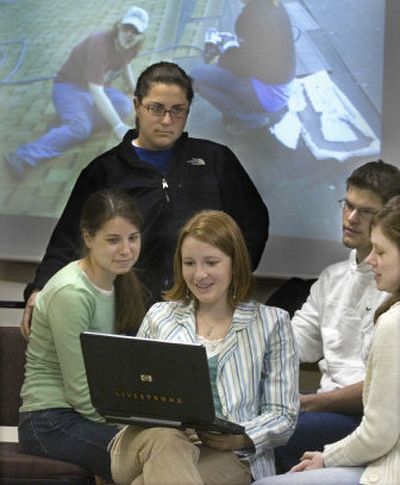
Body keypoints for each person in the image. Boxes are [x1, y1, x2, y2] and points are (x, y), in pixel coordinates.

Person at [21, 61, 269, 338]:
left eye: (178, 111)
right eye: (156, 108)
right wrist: (40, 288)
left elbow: (253, 225)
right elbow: (69, 240)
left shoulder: (215, 160)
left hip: (206, 315)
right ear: (137, 105)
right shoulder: (104, 171)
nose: (166, 120)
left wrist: (228, 280)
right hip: (129, 317)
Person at [109, 209, 299, 485]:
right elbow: (133, 393)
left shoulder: (272, 324)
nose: (199, 275)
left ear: (235, 263)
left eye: (211, 262)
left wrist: (241, 436)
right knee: (167, 438)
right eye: (189, 263)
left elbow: (283, 414)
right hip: (143, 442)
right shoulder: (159, 316)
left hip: (229, 455)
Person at [253, 195, 400, 485]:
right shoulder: (333, 280)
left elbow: (378, 434)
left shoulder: (393, 322)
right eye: (347, 204)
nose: (371, 259)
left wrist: (327, 457)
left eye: (380, 252)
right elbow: (297, 342)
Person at [18, 189, 148, 482]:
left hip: (84, 415)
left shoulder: (120, 282)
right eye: (113, 240)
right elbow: (79, 391)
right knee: (147, 455)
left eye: (133, 237)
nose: (126, 250)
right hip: (49, 421)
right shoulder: (72, 292)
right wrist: (126, 427)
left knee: (165, 446)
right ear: (88, 238)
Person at [4, 5, 149, 180]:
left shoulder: (129, 46)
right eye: (127, 28)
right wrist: (118, 126)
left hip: (95, 88)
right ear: (119, 26)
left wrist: (134, 90)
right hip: (69, 87)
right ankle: (22, 157)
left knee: (123, 106)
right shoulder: (99, 45)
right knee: (81, 129)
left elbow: (126, 64)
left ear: (141, 36)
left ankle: (67, 124)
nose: (130, 34)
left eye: (136, 32)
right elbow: (96, 91)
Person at [191, 0, 296, 135]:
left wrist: (220, 58)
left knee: (196, 77)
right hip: (282, 85)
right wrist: (232, 49)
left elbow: (246, 66)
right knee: (221, 68)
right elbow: (257, 52)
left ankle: (251, 119)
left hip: (271, 93)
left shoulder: (251, 17)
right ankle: (244, 109)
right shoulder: (272, 3)